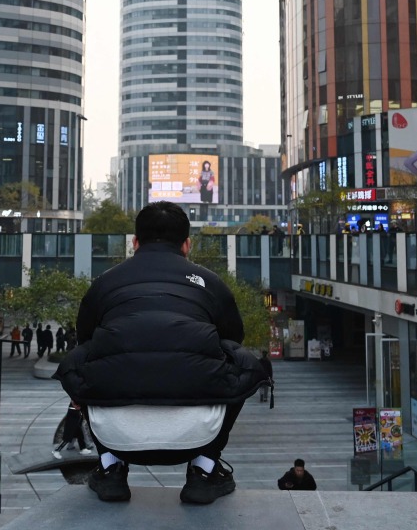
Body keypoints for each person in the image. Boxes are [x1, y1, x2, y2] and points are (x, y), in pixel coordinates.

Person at [55, 201, 268, 505]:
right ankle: (204, 471)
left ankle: (110, 469)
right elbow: (233, 338)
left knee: (82, 357)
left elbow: (85, 339)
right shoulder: (210, 283)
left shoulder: (103, 284)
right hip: (199, 433)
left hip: (114, 433)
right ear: (187, 245)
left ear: (135, 243)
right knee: (240, 358)